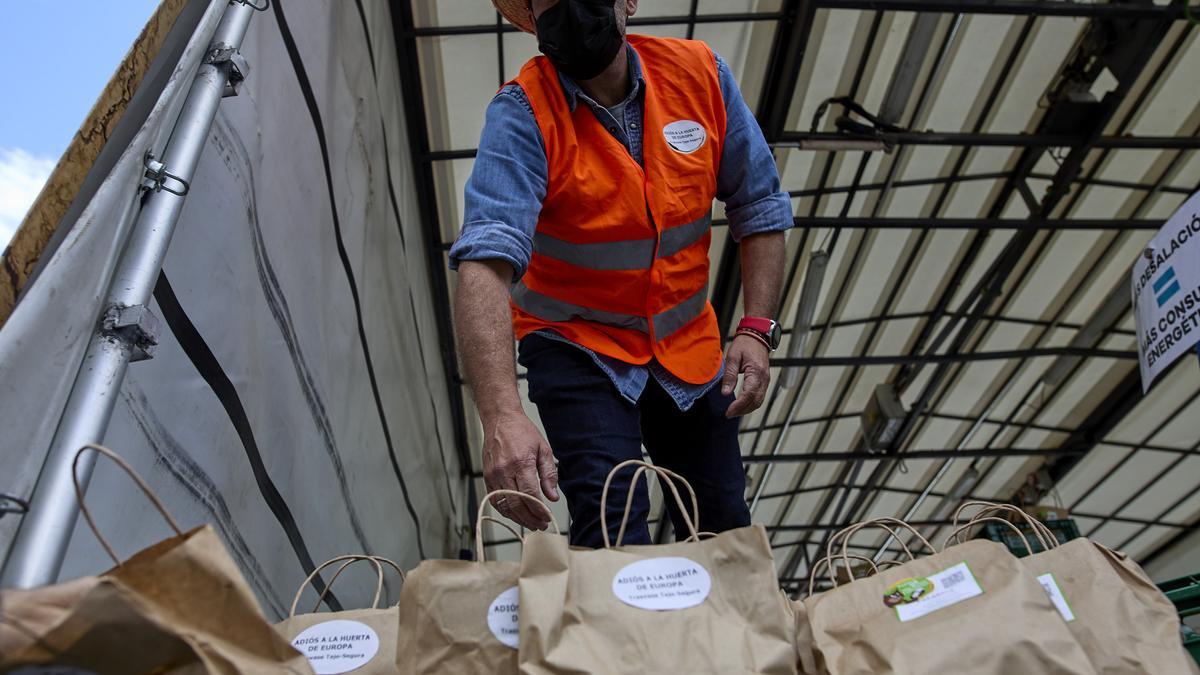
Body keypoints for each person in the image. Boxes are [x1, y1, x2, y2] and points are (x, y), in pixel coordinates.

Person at [449, 0, 791, 548]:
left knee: (724, 528)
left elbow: (761, 206)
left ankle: (726, 631)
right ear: (531, 19)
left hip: (686, 345)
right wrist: (501, 416)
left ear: (628, 0)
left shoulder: (701, 75)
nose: (568, 9)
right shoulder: (523, 114)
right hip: (578, 346)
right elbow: (484, 265)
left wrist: (756, 329)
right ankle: (617, 628)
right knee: (613, 526)